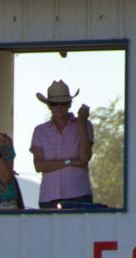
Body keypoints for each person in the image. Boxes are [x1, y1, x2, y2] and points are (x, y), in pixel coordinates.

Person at [28, 80, 95, 209]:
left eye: (63, 103)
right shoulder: (40, 131)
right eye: (54, 104)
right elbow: (39, 165)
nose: (59, 107)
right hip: (49, 196)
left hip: (78, 193)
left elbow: (85, 157)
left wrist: (81, 123)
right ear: (49, 106)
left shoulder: (85, 125)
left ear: (69, 104)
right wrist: (69, 162)